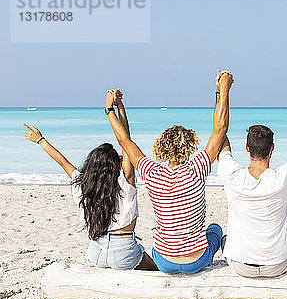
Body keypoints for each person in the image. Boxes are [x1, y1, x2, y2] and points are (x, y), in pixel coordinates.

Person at [105, 70, 233, 274]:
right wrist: (223, 90)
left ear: (160, 148)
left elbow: (125, 141)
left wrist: (111, 109)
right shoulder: (197, 169)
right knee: (215, 230)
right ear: (190, 146)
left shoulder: (151, 172)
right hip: (196, 261)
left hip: (164, 261)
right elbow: (220, 130)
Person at [22, 95, 157, 270]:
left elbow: (63, 162)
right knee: (155, 269)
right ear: (114, 164)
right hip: (123, 251)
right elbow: (126, 143)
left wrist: (40, 140)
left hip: (96, 252)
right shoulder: (125, 182)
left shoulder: (82, 183)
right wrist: (120, 108)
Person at [217, 85, 287, 278]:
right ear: (272, 149)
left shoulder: (232, 175)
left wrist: (222, 91)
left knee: (224, 238)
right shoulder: (282, 179)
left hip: (239, 265)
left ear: (246, 148)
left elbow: (219, 133)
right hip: (276, 265)